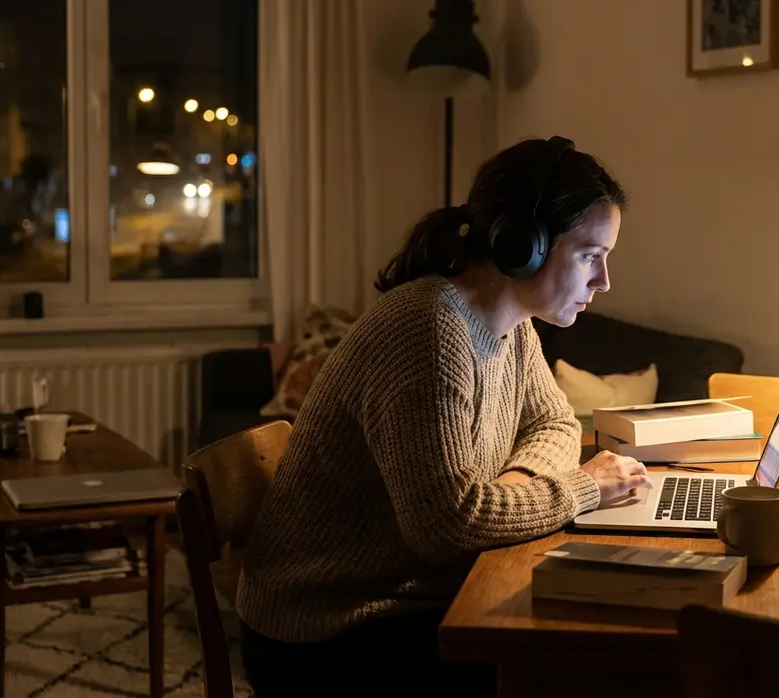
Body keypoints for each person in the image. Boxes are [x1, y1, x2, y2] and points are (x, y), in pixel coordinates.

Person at [234, 137, 652, 696]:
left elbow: (555, 425)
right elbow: (448, 527)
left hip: (408, 594)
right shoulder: (429, 331)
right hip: (325, 629)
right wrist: (584, 488)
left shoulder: (511, 325)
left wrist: (512, 489)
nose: (603, 281)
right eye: (588, 256)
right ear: (522, 245)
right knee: (582, 663)